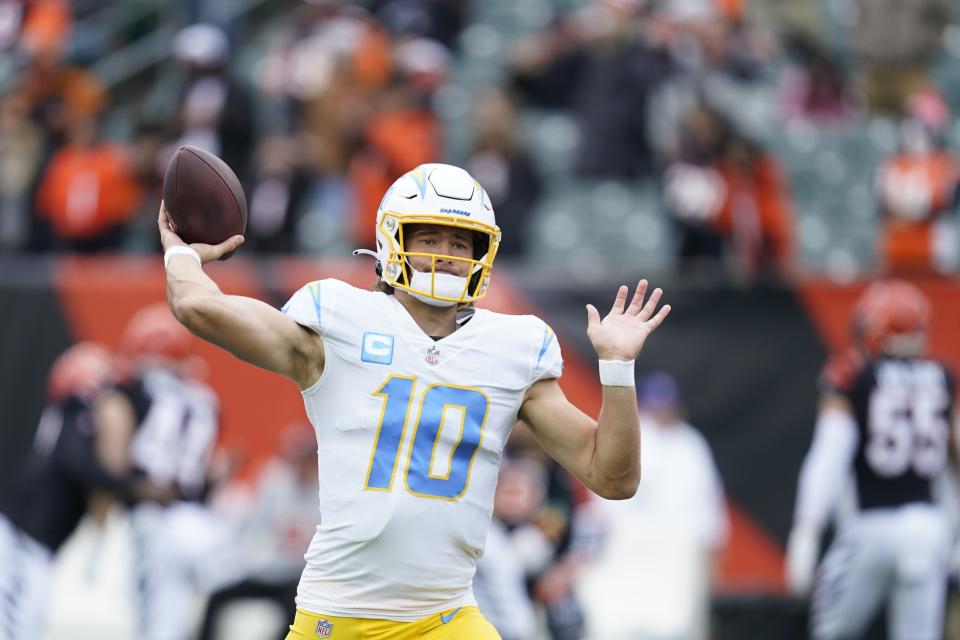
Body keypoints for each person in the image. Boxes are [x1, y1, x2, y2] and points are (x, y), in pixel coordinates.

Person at [157, 162, 671, 638]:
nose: (447, 255)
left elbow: (614, 478)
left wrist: (618, 369)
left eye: (461, 242)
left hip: (444, 617)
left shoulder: (514, 347)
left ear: (482, 254)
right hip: (337, 615)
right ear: (390, 241)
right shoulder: (336, 319)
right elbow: (199, 307)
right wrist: (183, 253)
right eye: (428, 237)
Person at [786, 279, 956, 640]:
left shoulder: (852, 376)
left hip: (869, 527)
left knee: (830, 631)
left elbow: (830, 456)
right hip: (927, 527)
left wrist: (807, 527)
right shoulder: (944, 378)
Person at [0, 342, 173, 639]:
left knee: (29, 616)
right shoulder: (74, 414)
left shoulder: (68, 417)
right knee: (19, 621)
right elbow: (80, 466)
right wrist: (135, 486)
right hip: (23, 536)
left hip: (34, 539)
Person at [97, 304, 229, 640]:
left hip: (153, 514)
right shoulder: (206, 399)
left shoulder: (131, 391)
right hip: (197, 521)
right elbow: (205, 471)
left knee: (158, 622)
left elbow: (114, 461)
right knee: (221, 603)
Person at [577, 372, 728, 640]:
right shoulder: (628, 437)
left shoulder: (690, 444)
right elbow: (601, 507)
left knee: (674, 627)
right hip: (624, 553)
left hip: (676, 556)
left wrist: (711, 556)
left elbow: (708, 509)